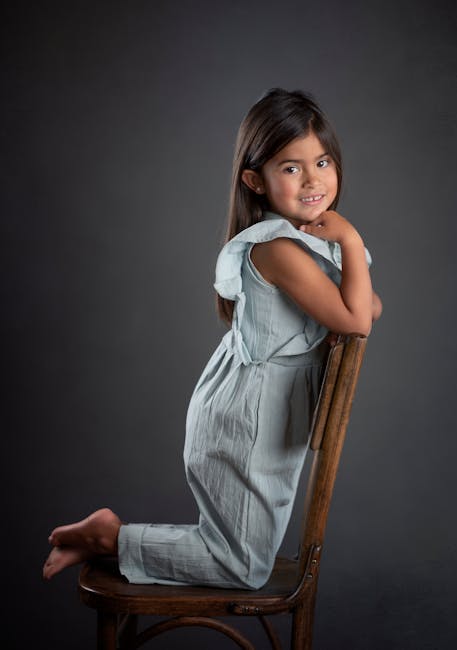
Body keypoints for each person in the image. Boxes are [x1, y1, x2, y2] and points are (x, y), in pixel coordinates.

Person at [43, 88, 382, 589]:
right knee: (242, 566)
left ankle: (114, 538)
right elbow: (357, 318)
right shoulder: (277, 248)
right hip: (245, 419)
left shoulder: (309, 244)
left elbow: (366, 306)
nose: (313, 179)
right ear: (256, 181)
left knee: (243, 556)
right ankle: (109, 538)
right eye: (290, 168)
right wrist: (351, 240)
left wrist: (341, 251)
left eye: (323, 161)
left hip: (272, 415)